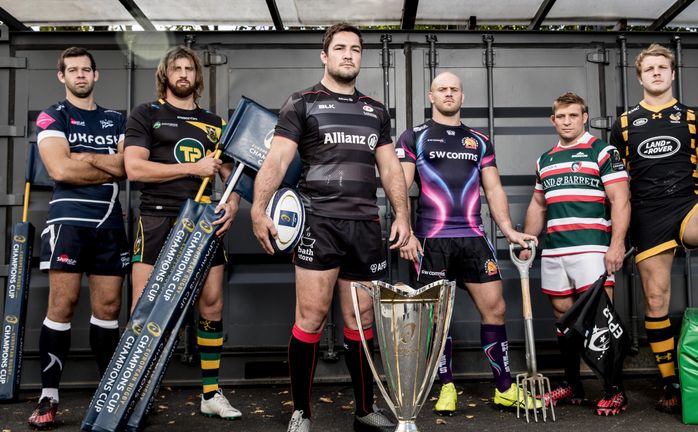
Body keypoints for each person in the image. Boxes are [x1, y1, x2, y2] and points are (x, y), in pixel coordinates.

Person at [250, 23, 410, 432]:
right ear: (325, 56)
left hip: (365, 226)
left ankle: (364, 410)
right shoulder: (301, 103)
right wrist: (258, 208)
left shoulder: (376, 110)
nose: (348, 55)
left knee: (362, 320)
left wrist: (403, 216)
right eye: (339, 48)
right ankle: (301, 413)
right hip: (318, 223)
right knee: (311, 318)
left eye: (355, 49)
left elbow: (390, 168)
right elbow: (277, 160)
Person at [609, 43, 698, 413]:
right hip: (647, 217)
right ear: (639, 77)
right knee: (655, 302)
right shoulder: (623, 123)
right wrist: (617, 236)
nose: (656, 72)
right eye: (649, 68)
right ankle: (669, 380)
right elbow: (616, 184)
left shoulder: (692, 118)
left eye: (662, 67)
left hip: (689, 207)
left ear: (672, 74)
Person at [396, 72, 540, 415]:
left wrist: (508, 230)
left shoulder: (479, 140)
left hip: (474, 238)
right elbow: (399, 186)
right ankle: (446, 387)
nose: (448, 94)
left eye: (454, 89)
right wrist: (405, 230)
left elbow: (493, 189)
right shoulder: (413, 136)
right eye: (442, 89)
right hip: (431, 241)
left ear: (462, 96)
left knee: (497, 309)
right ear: (431, 95)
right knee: (436, 318)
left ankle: (504, 388)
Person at [123, 46, 241, 420]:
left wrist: (234, 202)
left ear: (197, 76)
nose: (184, 73)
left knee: (212, 303)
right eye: (177, 68)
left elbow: (231, 174)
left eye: (189, 68)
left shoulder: (215, 123)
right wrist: (191, 169)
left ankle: (210, 393)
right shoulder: (147, 114)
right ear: (165, 74)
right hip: (158, 217)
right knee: (144, 308)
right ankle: (134, 394)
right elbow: (135, 170)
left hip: (204, 220)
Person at [28, 47, 131, 430]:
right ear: (62, 76)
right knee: (63, 304)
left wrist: (82, 157)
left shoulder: (115, 119)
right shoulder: (53, 114)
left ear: (96, 75)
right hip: (67, 223)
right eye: (72, 70)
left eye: (86, 69)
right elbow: (58, 167)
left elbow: (126, 167)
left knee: (107, 309)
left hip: (109, 225)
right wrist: (99, 163)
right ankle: (49, 396)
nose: (80, 75)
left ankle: (108, 394)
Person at [521, 92, 630, 416]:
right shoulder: (545, 159)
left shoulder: (603, 151)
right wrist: (528, 240)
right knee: (563, 319)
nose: (567, 121)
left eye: (573, 115)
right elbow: (538, 205)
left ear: (584, 117)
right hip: (555, 250)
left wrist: (617, 245)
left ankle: (614, 390)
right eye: (561, 116)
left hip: (592, 247)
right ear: (553, 120)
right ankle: (573, 384)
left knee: (599, 320)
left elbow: (621, 200)